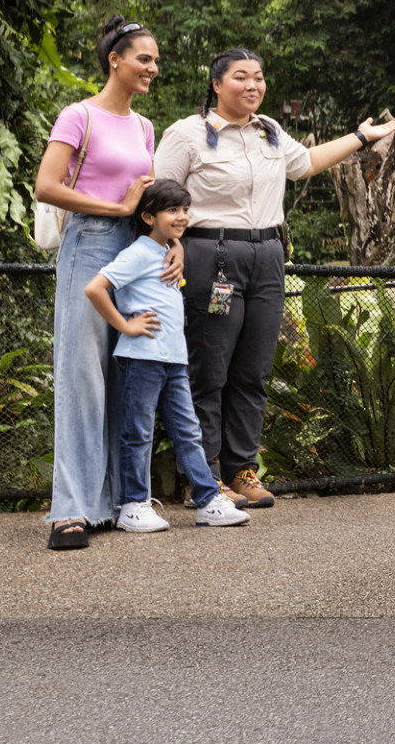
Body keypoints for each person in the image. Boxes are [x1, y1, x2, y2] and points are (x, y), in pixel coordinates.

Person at [154, 47, 395, 510]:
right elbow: (159, 194)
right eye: (241, 77)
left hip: (267, 255)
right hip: (211, 255)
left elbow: (304, 163)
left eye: (259, 77)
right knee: (210, 369)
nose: (253, 86)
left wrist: (360, 137)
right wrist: (172, 243)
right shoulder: (187, 134)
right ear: (216, 84)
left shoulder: (269, 131)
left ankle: (242, 471)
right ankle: (202, 478)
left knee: (253, 369)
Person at [35, 16, 181, 552]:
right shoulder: (79, 115)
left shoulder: (143, 127)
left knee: (129, 372)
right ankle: (70, 510)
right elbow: (46, 186)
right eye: (144, 58)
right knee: (82, 376)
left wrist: (173, 240)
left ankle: (120, 502)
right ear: (115, 59)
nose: (152, 67)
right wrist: (115, 207)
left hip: (138, 248)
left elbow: (149, 201)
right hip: (91, 243)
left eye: (156, 60)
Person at [83, 180, 250, 533]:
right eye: (172, 210)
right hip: (141, 358)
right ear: (147, 216)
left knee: (189, 432)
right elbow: (95, 288)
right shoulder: (139, 253)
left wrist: (176, 243)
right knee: (138, 432)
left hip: (173, 360)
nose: (182, 217)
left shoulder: (168, 253)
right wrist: (125, 326)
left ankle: (207, 501)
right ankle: (133, 505)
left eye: (185, 210)